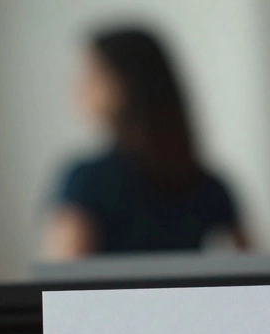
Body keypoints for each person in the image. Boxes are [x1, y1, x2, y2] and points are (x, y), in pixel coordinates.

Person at [45, 28, 249, 258]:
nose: (78, 87)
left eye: (92, 75)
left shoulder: (85, 182)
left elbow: (62, 281)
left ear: (127, 84)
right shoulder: (209, 185)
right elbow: (262, 274)